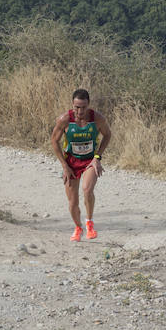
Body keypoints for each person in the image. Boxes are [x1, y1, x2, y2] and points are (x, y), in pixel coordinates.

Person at [50, 89, 111, 242]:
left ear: (88, 105)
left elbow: (107, 135)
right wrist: (64, 166)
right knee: (72, 202)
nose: (80, 111)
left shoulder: (97, 119)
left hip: (90, 160)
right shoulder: (64, 119)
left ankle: (89, 223)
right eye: (77, 107)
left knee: (87, 189)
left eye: (83, 107)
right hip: (71, 161)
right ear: (72, 105)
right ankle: (78, 228)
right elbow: (54, 141)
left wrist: (97, 157)